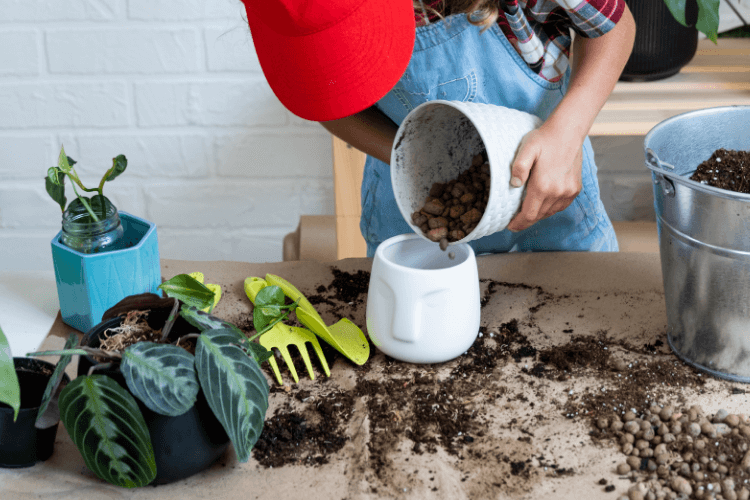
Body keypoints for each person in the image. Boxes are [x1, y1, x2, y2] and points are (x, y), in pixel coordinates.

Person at [242, 0, 636, 257]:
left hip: (551, 198)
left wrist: (567, 131)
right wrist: (410, 158)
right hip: (408, 213)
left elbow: (615, 28)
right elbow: (328, 102)